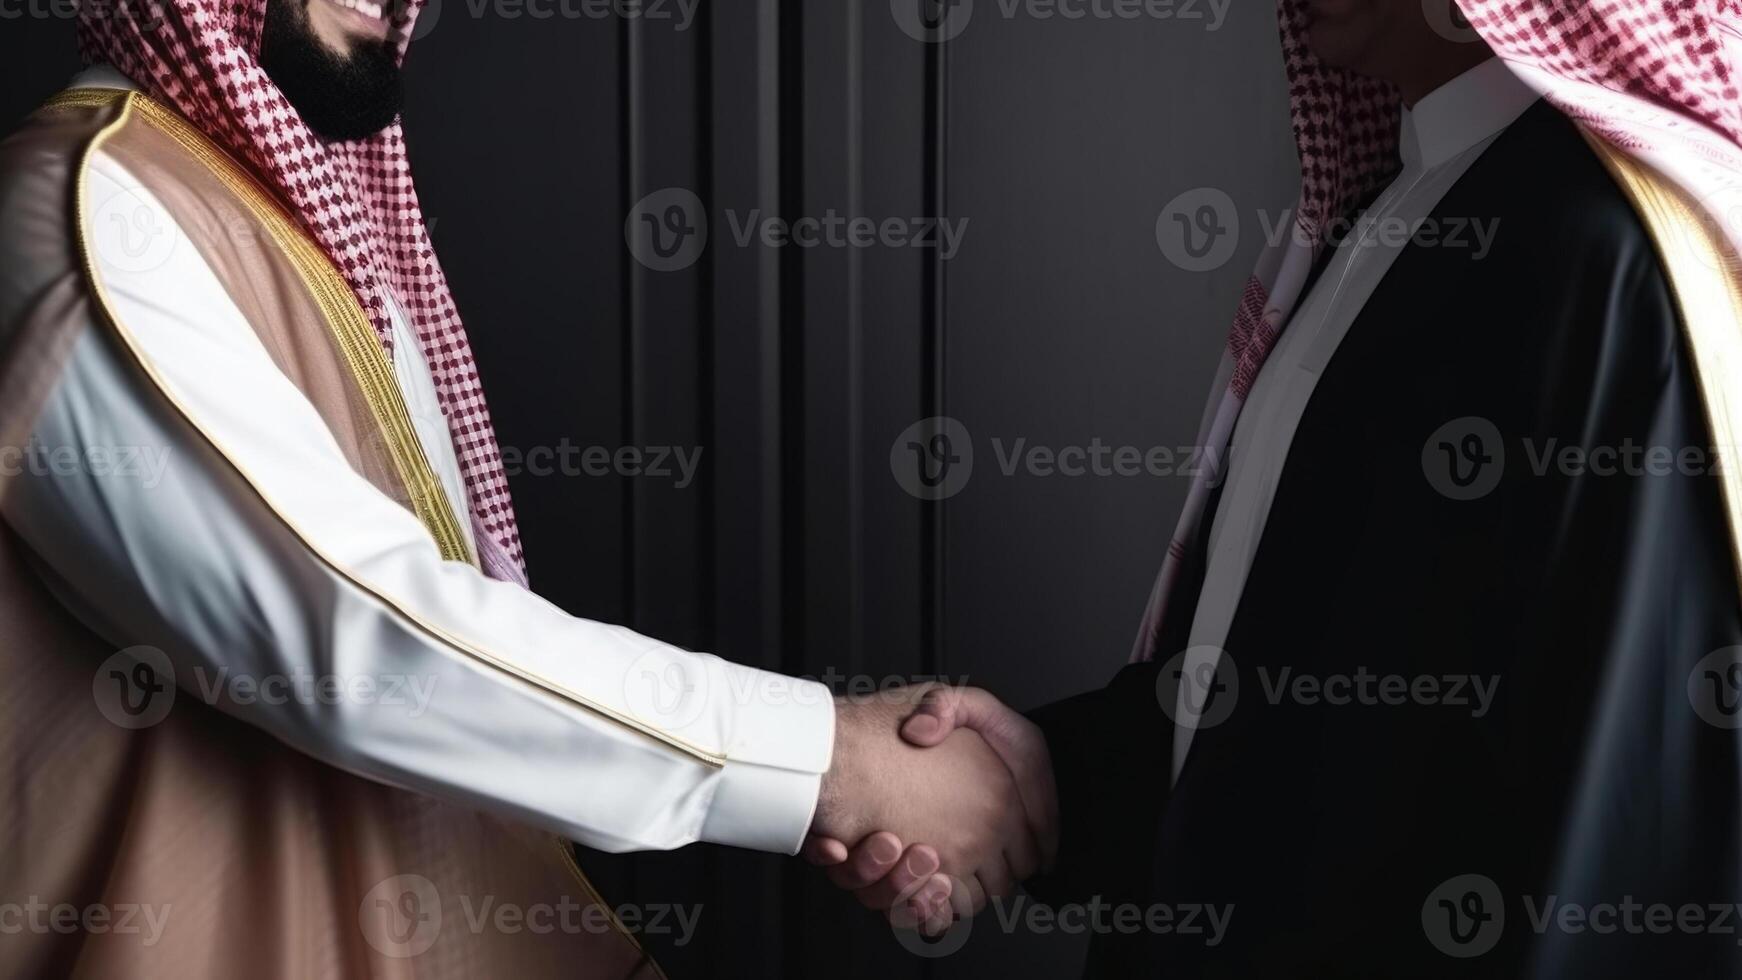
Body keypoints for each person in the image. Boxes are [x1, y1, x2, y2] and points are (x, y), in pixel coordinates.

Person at [0, 0, 1033, 974]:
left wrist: (828, 777)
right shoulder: (89, 209)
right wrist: (827, 765)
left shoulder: (287, 221)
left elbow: (473, 641)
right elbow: (363, 645)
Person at [819, 1, 1742, 975]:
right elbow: (1299, 703)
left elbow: (1602, 831)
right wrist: (1045, 781)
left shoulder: (1604, 254)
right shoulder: (1398, 199)